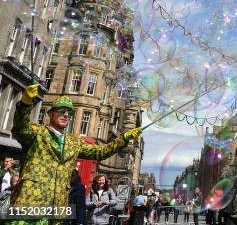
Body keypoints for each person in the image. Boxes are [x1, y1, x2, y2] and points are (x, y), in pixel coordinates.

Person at [10, 84, 142, 214]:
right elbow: (20, 127)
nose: (66, 115)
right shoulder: (37, 133)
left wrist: (124, 138)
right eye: (62, 111)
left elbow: (101, 152)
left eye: (70, 112)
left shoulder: (74, 142)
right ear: (50, 114)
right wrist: (25, 104)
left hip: (56, 211)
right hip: (28, 205)